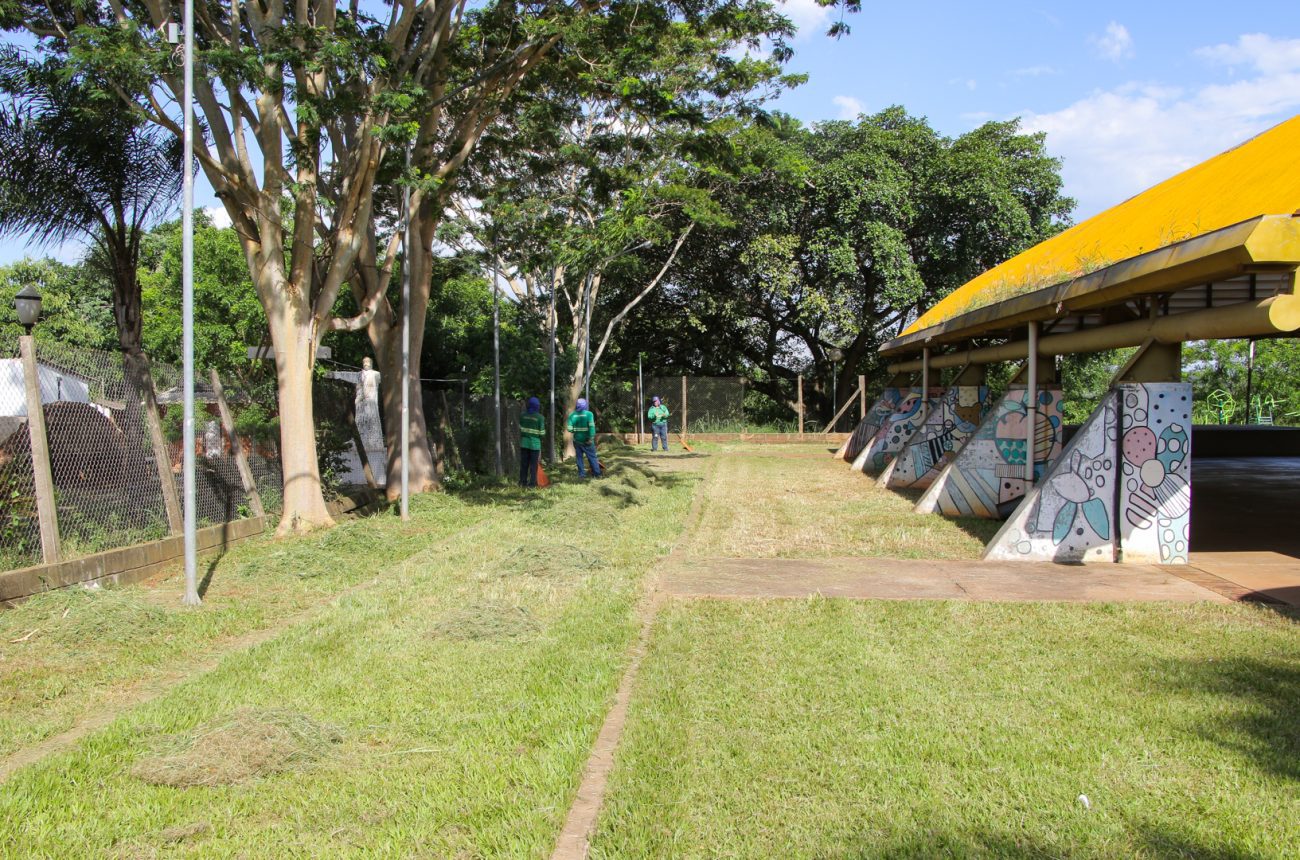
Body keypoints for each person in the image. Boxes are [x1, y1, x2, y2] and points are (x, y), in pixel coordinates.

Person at [566, 397, 602, 478]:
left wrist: (575, 430)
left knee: (579, 458)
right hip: (587, 441)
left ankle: (581, 475)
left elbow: (569, 429)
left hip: (577, 441)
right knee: (592, 457)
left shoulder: (572, 415)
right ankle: (597, 474)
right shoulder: (589, 414)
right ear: (585, 405)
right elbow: (592, 428)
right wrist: (591, 438)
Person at [519, 397, 544, 488]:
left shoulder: (522, 415)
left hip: (524, 443)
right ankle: (532, 484)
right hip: (535, 445)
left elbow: (520, 428)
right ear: (537, 406)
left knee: (524, 464)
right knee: (533, 465)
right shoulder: (540, 417)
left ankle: (522, 482)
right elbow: (542, 433)